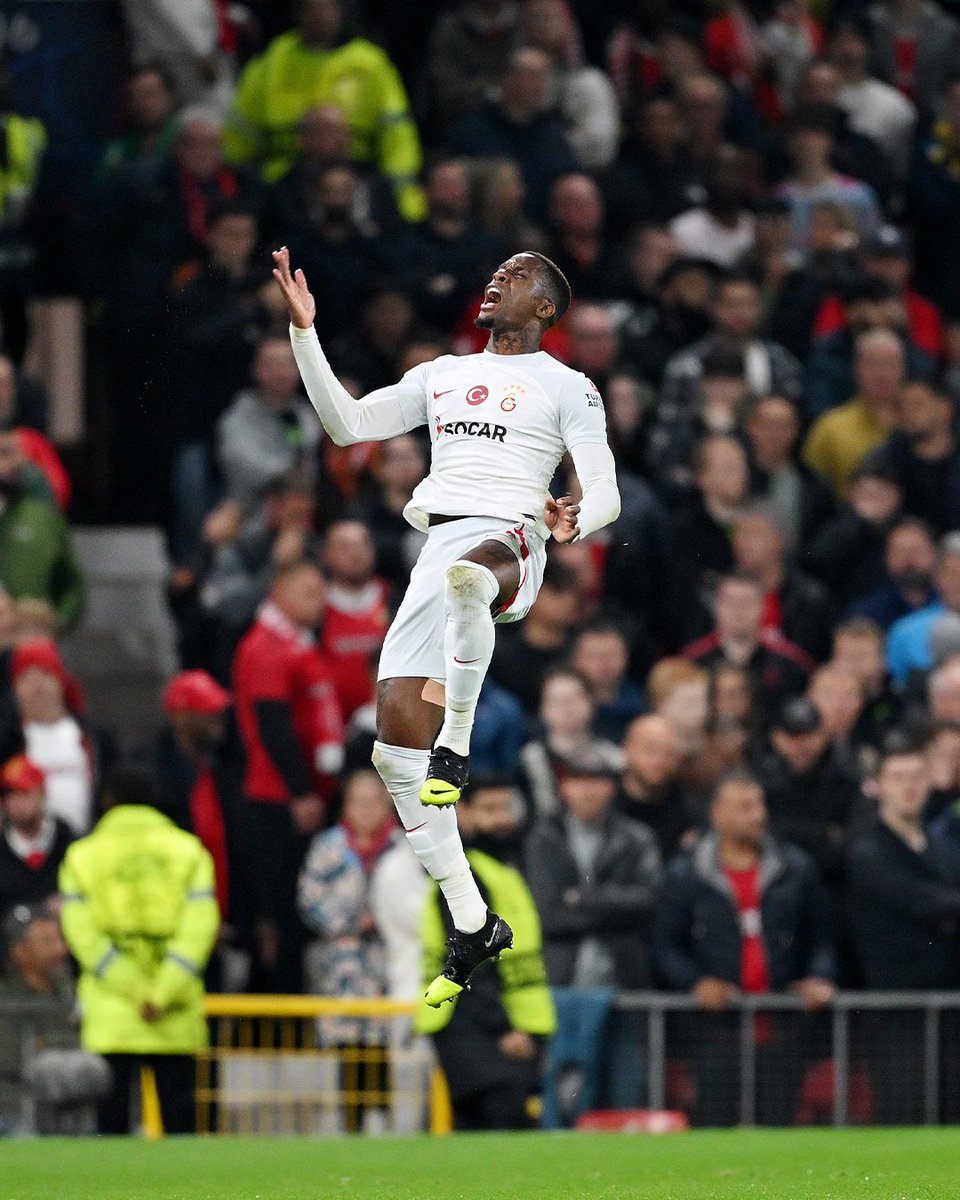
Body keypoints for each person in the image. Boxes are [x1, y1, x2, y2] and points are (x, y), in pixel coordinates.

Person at [272, 244, 620, 1008]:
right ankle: (470, 919)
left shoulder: (569, 387)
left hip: (513, 539)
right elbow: (346, 424)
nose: (500, 278)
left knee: (474, 580)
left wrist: (572, 521)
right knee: (393, 754)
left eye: (519, 275)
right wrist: (307, 334)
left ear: (546, 310)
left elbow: (606, 493)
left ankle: (455, 746)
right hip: (439, 547)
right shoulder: (443, 374)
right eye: (499, 270)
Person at [652, 769, 836, 1127]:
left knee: (779, 1124)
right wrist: (695, 983)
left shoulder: (794, 868)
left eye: (759, 804)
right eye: (744, 807)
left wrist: (819, 977)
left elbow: (822, 935)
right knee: (713, 1124)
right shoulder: (686, 875)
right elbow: (664, 946)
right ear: (717, 816)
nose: (758, 815)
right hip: (716, 1029)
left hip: (781, 1023)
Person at [58, 768, 219, 1134]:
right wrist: (161, 994)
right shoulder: (188, 851)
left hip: (112, 1013)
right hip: (173, 1013)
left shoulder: (83, 856)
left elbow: (83, 936)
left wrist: (132, 989)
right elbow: (198, 930)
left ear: (107, 801)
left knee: (111, 1134)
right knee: (182, 1134)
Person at [416, 776, 555, 1130]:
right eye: (489, 810)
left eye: (505, 808)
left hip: (483, 1020)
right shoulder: (469, 876)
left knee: (477, 1129)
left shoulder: (498, 869)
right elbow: (470, 959)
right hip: (473, 1021)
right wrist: (504, 1029)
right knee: (505, 1120)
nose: (501, 819)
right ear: (461, 813)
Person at [231, 558, 343, 990]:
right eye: (309, 593)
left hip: (300, 792)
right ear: (279, 591)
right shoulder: (265, 648)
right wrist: (301, 793)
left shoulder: (296, 641)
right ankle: (280, 1002)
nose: (320, 604)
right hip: (276, 799)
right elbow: (271, 725)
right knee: (284, 909)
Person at [847, 734, 960, 1123]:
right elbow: (925, 904)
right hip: (898, 1007)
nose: (909, 787)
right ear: (878, 785)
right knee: (905, 1111)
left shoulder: (943, 848)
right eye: (898, 778)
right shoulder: (869, 851)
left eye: (916, 776)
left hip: (948, 1004)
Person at [297, 769, 398, 1133]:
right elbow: (310, 899)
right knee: (346, 1049)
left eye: (375, 801)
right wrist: (353, 922)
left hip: (387, 964)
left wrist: (386, 919)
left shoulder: (403, 846)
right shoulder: (329, 846)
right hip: (340, 967)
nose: (367, 809)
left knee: (384, 1050)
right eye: (358, 801)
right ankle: (350, 1129)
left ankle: (386, 1128)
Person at [0, 904, 109, 1136]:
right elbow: (10, 1057)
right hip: (13, 1107)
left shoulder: (73, 992)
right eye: (46, 941)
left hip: (75, 1109)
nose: (60, 950)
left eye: (59, 939)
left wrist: (46, 1044)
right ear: (19, 951)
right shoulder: (6, 997)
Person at [0, 755, 73, 921]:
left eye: (23, 793)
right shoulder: (3, 849)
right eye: (9, 796)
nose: (15, 803)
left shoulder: (69, 843)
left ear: (42, 792)